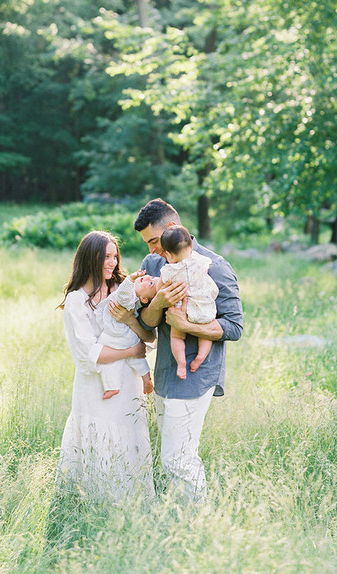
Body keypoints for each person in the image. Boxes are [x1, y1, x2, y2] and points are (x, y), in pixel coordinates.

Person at [113, 198, 242, 502]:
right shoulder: (153, 265)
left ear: (172, 228)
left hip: (197, 375)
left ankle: (197, 528)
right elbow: (147, 328)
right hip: (165, 373)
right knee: (169, 456)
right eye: (146, 244)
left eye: (154, 241)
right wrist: (156, 303)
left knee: (178, 459)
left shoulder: (215, 267)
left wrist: (187, 323)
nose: (151, 250)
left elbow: (234, 327)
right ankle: (177, 520)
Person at [56, 231, 154, 501]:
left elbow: (149, 337)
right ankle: (93, 504)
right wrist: (131, 350)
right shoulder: (77, 300)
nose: (112, 263)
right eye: (105, 257)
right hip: (94, 387)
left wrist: (132, 326)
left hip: (128, 381)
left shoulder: (122, 289)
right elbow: (88, 354)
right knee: (99, 441)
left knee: (129, 438)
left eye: (114, 256)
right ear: (90, 259)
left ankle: (132, 504)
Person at [159, 225, 219, 380]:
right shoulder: (201, 261)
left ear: (169, 255)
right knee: (205, 335)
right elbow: (207, 268)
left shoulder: (169, 270)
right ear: (191, 246)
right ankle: (200, 357)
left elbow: (161, 288)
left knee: (177, 337)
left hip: (182, 312)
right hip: (204, 308)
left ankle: (181, 363)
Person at [94, 269, 154, 400]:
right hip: (126, 335)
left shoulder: (130, 297)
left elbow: (123, 294)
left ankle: (112, 386)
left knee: (105, 357)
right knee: (137, 359)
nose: (148, 277)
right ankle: (146, 378)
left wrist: (130, 280)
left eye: (150, 284)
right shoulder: (135, 299)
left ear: (143, 298)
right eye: (151, 277)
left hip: (115, 333)